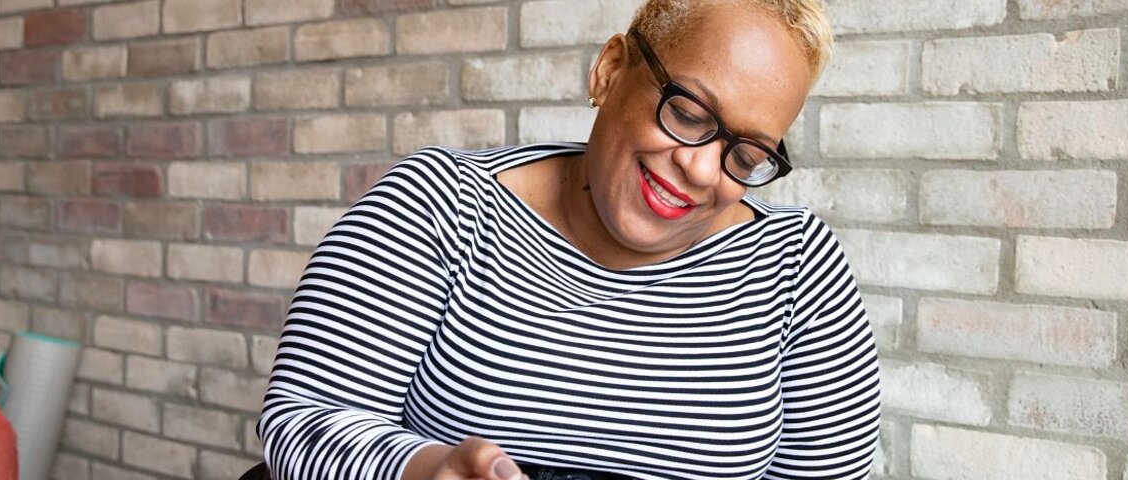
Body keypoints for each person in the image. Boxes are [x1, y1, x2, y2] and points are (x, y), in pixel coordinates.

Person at [257, 1, 880, 479]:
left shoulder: (797, 267)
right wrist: (427, 469)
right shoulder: (442, 204)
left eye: (745, 156)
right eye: (688, 114)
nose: (699, 169)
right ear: (611, 70)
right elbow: (305, 421)